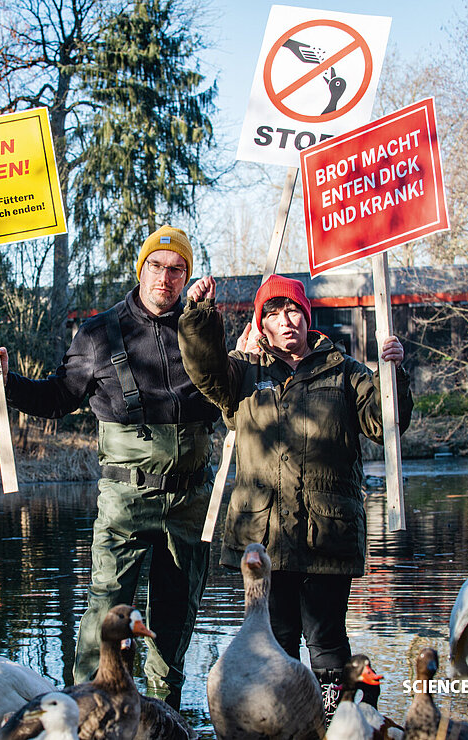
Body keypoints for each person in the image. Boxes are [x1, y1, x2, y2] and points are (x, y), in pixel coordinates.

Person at [0, 226, 219, 710]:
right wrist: (6, 381)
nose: (165, 279)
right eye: (156, 266)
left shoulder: (201, 330)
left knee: (175, 618)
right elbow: (56, 397)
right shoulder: (97, 334)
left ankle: (164, 713)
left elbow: (227, 392)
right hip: (125, 500)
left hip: (191, 500)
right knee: (105, 611)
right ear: (141, 269)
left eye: (177, 270)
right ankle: (85, 710)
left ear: (186, 276)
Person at [177, 273, 413, 721]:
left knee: (326, 644)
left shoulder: (344, 372)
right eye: (273, 314)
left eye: (292, 312)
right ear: (261, 325)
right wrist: (200, 316)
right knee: (275, 643)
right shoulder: (242, 374)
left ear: (308, 318)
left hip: (328, 537)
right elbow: (203, 367)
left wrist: (392, 373)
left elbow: (388, 424)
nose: (285, 321)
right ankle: (284, 723)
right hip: (264, 541)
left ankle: (336, 722)